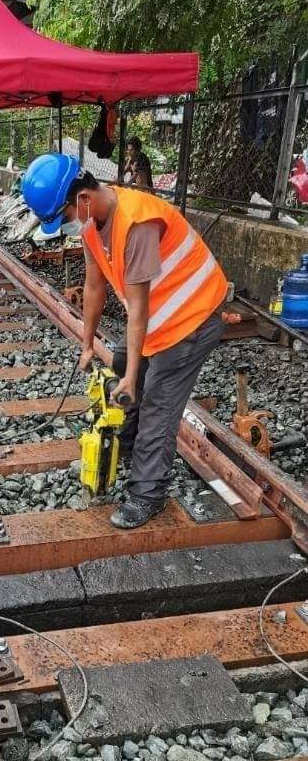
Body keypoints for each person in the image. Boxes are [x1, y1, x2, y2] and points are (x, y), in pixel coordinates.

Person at [21, 154, 228, 529]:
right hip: (160, 317)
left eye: (64, 216)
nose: (67, 224)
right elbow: (95, 285)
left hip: (192, 317)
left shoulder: (136, 224)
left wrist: (133, 378)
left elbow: (137, 309)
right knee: (122, 363)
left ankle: (148, 494)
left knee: (156, 402)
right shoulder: (91, 223)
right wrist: (87, 344)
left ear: (82, 198)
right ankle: (129, 447)